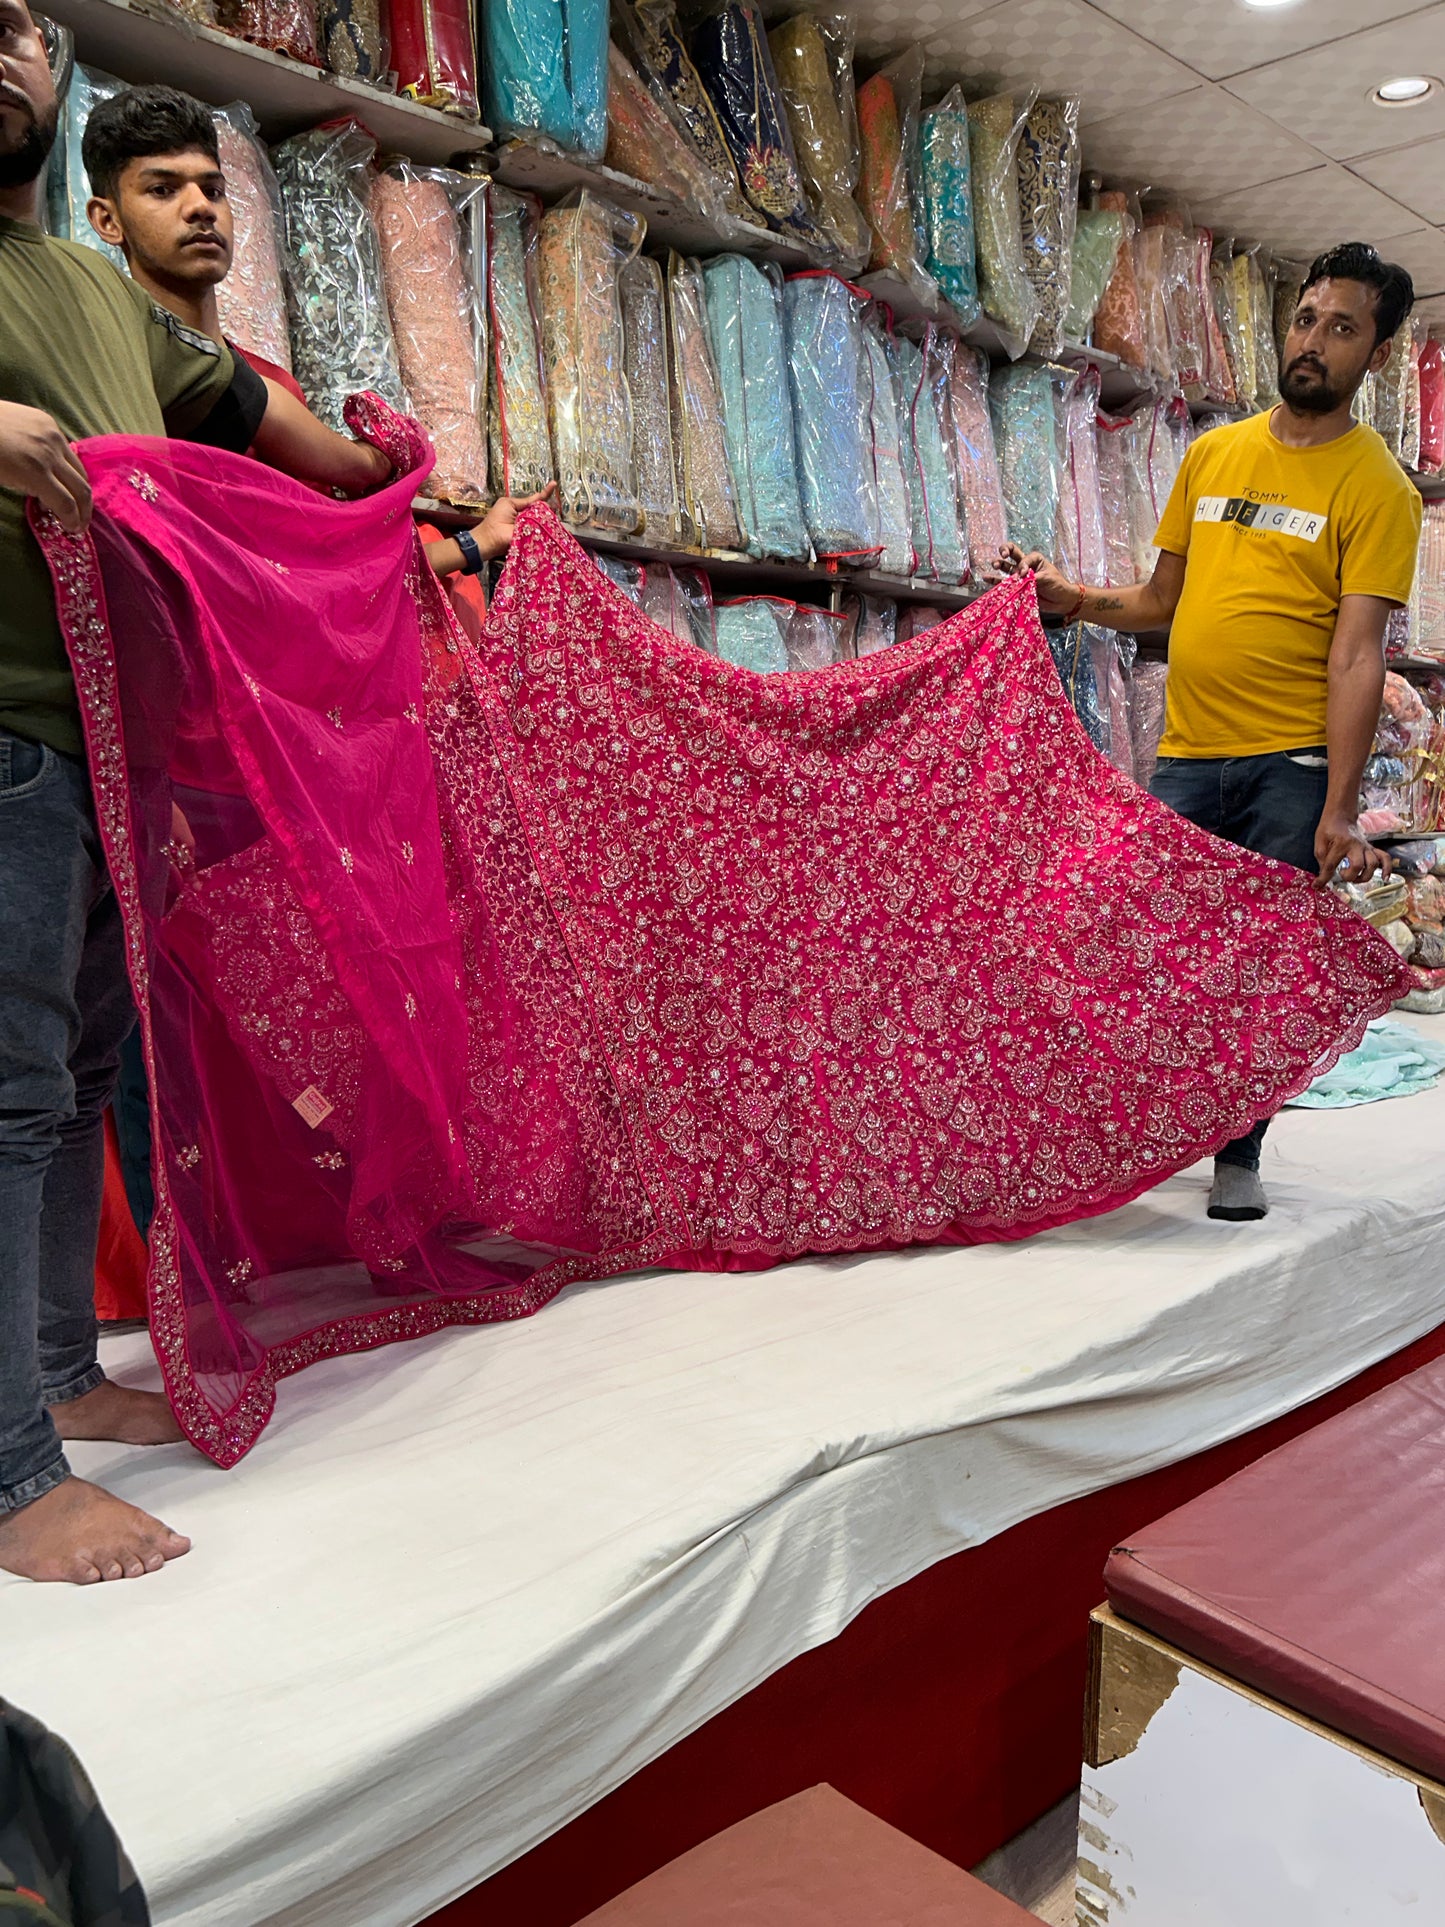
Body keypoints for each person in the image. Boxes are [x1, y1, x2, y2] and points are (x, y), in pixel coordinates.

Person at [1001, 241, 1422, 1225]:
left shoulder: (1377, 490)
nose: (1313, 341)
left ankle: (1237, 1152)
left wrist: (1336, 805)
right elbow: (1158, 599)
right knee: (1140, 946)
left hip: (1288, 764)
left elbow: (1358, 653)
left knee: (1252, 972)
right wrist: (1068, 600)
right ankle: (1122, 1136)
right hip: (1186, 755)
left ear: (1375, 353)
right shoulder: (1211, 454)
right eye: (1306, 319)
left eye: (1341, 328)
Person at [80, 81, 541, 583]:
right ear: (107, 220)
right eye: (162, 190)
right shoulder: (111, 371)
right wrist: (373, 463)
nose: (200, 208)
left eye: (213, 190)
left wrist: (479, 542)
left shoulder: (274, 383)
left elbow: (328, 566)